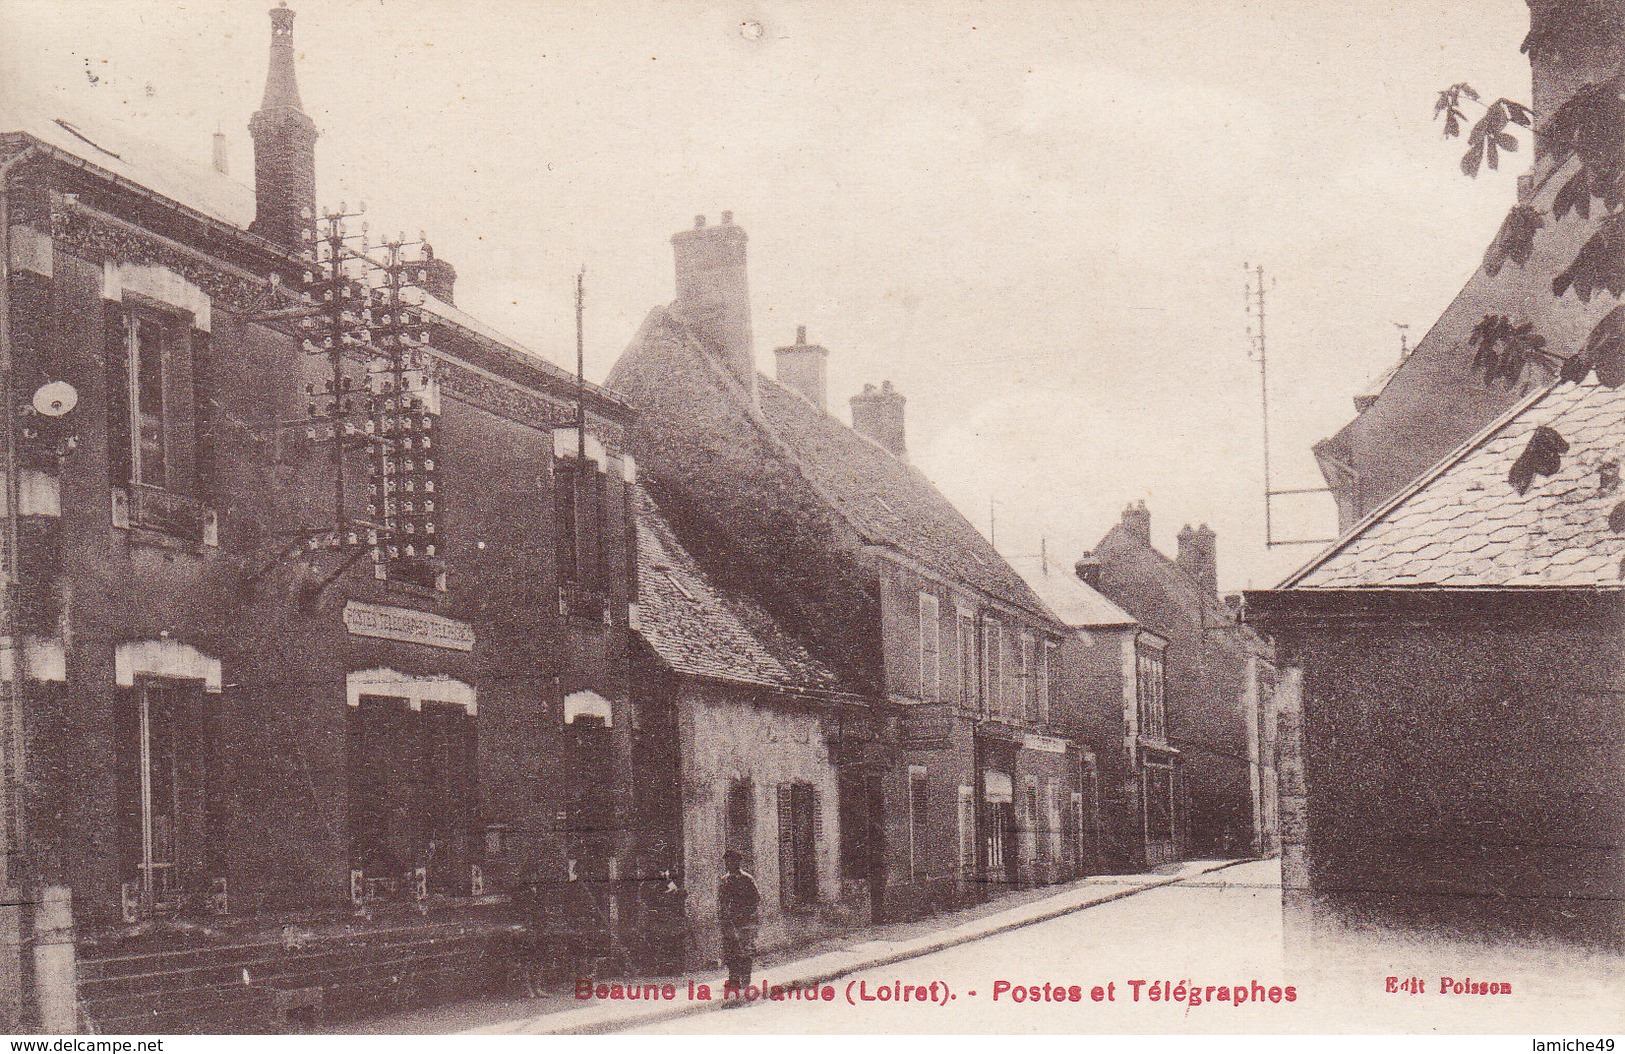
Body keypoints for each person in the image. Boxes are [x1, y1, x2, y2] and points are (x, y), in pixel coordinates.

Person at [717, 850, 760, 991]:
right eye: (727, 861)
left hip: (744, 920)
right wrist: (723, 916)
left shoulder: (747, 879)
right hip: (729, 921)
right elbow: (721, 901)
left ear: (738, 862)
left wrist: (746, 913)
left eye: (732, 861)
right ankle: (733, 978)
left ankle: (745, 978)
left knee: (745, 950)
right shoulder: (724, 880)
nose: (729, 864)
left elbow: (755, 899)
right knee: (731, 950)